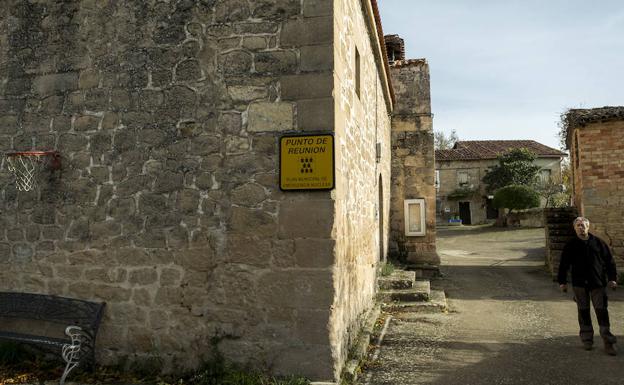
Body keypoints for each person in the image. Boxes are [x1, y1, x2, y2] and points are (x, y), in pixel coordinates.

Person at [558, 216, 618, 355]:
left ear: (588, 227)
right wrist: (562, 282)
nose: (581, 227)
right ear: (574, 228)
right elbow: (564, 265)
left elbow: (610, 262)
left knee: (601, 311)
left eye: (583, 225)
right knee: (583, 311)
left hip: (597, 283)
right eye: (578, 225)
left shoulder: (598, 243)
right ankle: (587, 339)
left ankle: (608, 342)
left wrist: (612, 278)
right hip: (579, 284)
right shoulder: (571, 245)